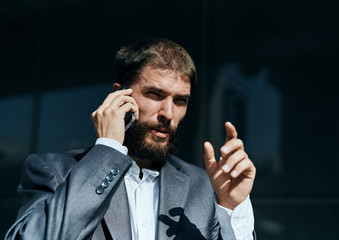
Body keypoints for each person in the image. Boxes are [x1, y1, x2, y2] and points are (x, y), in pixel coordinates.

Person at [5, 38, 256, 240]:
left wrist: (234, 208)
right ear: (119, 95)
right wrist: (107, 151)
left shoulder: (204, 187)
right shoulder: (53, 171)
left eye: (180, 100)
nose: (168, 114)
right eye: (155, 94)